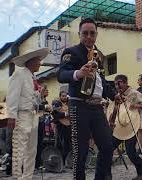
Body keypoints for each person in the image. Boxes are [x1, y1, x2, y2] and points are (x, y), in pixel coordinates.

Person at [57, 18, 115, 180]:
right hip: (78, 106)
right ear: (79, 34)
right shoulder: (71, 52)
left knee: (107, 147)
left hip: (97, 108)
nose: (89, 36)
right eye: (85, 33)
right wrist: (78, 73)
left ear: (96, 34)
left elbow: (100, 81)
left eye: (92, 33)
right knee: (80, 151)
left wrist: (114, 95)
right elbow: (61, 75)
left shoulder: (99, 55)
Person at [6, 47, 49, 179]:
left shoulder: (33, 77)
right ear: (30, 61)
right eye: (38, 61)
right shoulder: (19, 74)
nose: (40, 63)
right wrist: (11, 116)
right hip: (22, 115)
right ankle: (17, 177)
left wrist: (41, 96)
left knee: (32, 150)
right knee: (20, 150)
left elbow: (34, 99)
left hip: (33, 116)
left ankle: (27, 177)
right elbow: (12, 95)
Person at [110, 74, 142, 180]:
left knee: (131, 152)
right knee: (108, 148)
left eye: (119, 83)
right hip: (118, 127)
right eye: (115, 84)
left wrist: (137, 105)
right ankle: (106, 173)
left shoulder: (134, 93)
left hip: (131, 127)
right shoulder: (116, 94)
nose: (117, 86)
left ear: (125, 83)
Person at [52, 91, 71, 164]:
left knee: (67, 144)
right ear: (60, 96)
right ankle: (58, 162)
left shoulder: (69, 103)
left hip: (68, 126)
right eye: (63, 96)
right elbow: (56, 114)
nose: (65, 97)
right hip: (60, 126)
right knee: (59, 144)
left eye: (65, 96)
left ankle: (65, 161)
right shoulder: (57, 103)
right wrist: (66, 114)